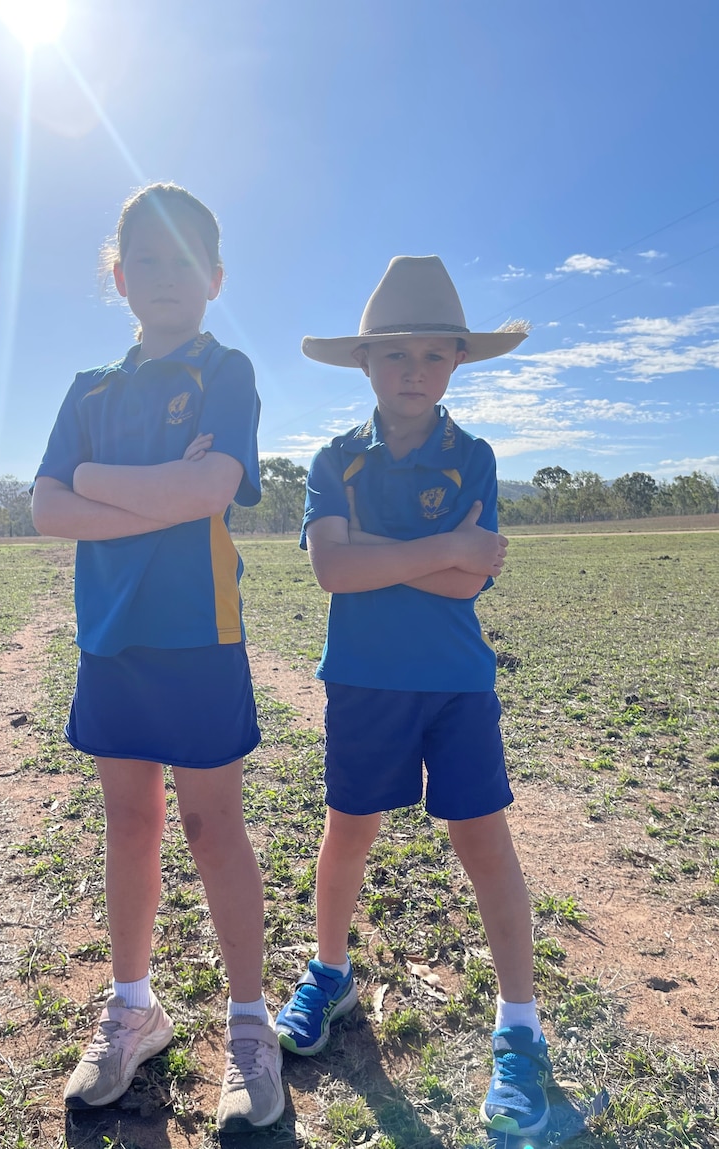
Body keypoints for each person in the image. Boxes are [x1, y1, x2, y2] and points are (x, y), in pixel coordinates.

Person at [274, 256, 553, 1138]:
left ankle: (520, 1027)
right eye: (396, 353)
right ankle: (329, 973)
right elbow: (332, 570)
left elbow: (470, 586)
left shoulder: (473, 455)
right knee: (348, 830)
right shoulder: (334, 459)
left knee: (484, 841)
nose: (415, 369)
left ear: (458, 364)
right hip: (361, 683)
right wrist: (441, 550)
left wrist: (387, 559)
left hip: (457, 686)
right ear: (366, 363)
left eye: (436, 354)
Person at [31, 183, 283, 1132]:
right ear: (120, 275)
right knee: (129, 825)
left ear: (215, 278)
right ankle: (133, 1007)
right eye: (149, 259)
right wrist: (148, 486)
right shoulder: (87, 390)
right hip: (111, 642)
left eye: (187, 260)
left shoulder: (228, 370)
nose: (167, 276)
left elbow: (212, 488)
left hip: (200, 636)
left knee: (216, 832)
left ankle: (250, 1027)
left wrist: (97, 480)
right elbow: (46, 508)